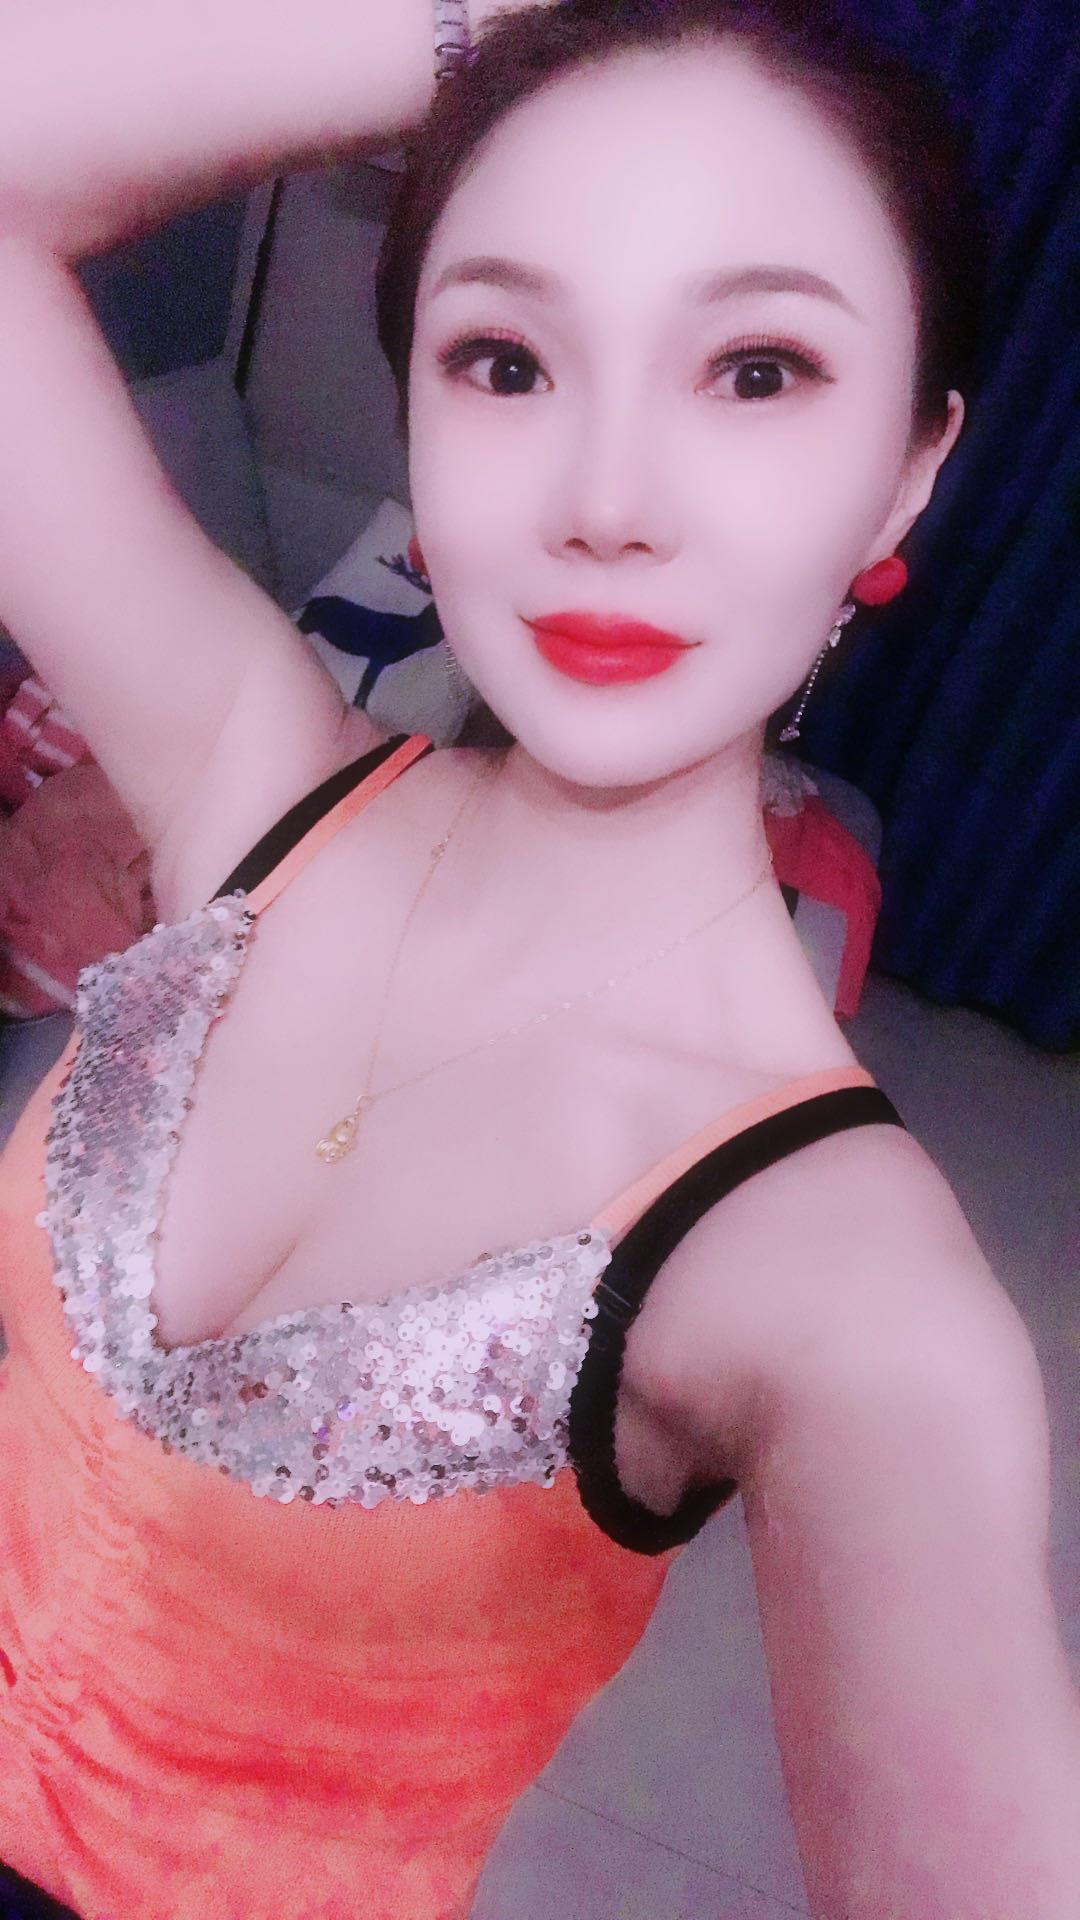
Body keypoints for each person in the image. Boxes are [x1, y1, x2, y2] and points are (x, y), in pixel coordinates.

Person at [0, 0, 1076, 1914]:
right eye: (505, 358)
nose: (605, 503)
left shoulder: (836, 1292)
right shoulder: (255, 775)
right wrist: (525, 23)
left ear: (911, 471)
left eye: (757, 370)